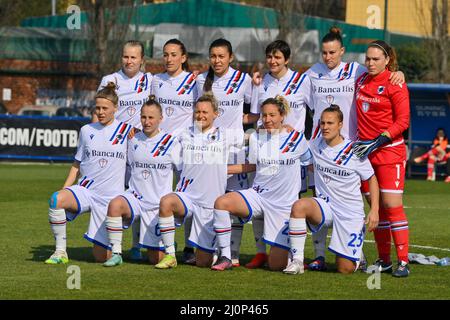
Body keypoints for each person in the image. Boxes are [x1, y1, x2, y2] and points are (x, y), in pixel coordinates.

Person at [301, 27, 405, 271]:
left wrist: (397, 72)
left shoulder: (356, 71)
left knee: (369, 202)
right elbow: (294, 98)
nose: (328, 57)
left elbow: (380, 71)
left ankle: (364, 252)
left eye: (333, 52)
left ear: (342, 51)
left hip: (354, 149)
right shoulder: (312, 74)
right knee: (320, 201)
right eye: (324, 52)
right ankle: (318, 254)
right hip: (323, 150)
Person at [212, 96, 312, 271]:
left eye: (272, 115)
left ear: (282, 116)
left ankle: (291, 257)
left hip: (283, 205)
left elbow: (309, 164)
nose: (267, 120)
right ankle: (226, 256)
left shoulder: (296, 139)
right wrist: (221, 169)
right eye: (264, 115)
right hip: (258, 196)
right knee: (222, 203)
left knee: (276, 265)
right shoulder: (257, 137)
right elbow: (252, 166)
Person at [242, 40, 313, 269]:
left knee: (294, 203)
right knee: (260, 200)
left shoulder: (302, 81)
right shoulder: (261, 83)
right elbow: (254, 116)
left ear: (287, 59)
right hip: (267, 151)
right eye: (269, 57)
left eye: (277, 57)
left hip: (293, 154)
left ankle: (298, 254)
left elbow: (317, 110)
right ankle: (261, 251)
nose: (273, 61)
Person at [283, 105, 379, 274]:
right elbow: (296, 148)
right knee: (299, 206)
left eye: (330, 123)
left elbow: (371, 178)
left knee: (344, 269)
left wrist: (375, 210)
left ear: (340, 125)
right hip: (325, 207)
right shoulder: (315, 144)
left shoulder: (354, 151)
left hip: (350, 213)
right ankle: (297, 261)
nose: (325, 127)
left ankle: (359, 257)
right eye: (322, 123)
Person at [45, 83, 131, 264]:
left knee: (101, 258)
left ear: (115, 108)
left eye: (105, 108)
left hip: (110, 199)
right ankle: (60, 252)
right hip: (86, 191)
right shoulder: (86, 130)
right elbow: (76, 164)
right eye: (97, 108)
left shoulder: (127, 132)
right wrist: (65, 188)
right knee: (56, 199)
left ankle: (126, 248)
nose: (100, 112)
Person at [154, 92, 236, 269]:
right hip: (187, 196)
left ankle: (214, 254)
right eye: (197, 112)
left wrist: (283, 130)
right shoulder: (183, 133)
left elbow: (255, 142)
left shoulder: (227, 136)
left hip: (210, 203)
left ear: (216, 113)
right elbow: (158, 139)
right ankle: (170, 254)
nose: (201, 115)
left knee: (202, 263)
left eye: (205, 112)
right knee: (166, 202)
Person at [352, 40, 411, 277]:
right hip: (365, 156)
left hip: (389, 152)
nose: (370, 63)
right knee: (376, 209)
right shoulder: (360, 80)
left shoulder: (395, 83)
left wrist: (380, 139)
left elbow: (403, 121)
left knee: (391, 205)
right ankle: (384, 260)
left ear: (387, 60)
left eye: (376, 59)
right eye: (368, 58)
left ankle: (403, 262)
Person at [196, 38, 256, 267]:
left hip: (236, 150)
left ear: (230, 57)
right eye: (213, 56)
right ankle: (210, 248)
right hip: (210, 150)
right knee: (210, 200)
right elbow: (198, 114)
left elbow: (256, 111)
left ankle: (233, 252)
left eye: (221, 56)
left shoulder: (244, 79)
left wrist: (245, 131)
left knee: (233, 202)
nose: (217, 60)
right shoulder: (201, 80)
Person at [103, 96, 181, 267]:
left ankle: (168, 244)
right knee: (115, 204)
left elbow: (181, 173)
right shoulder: (133, 140)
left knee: (155, 260)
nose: (146, 121)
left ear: (161, 119)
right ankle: (116, 253)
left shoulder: (171, 143)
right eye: (143, 117)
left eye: (151, 117)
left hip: (157, 206)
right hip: (135, 199)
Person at [98, 40, 153, 261]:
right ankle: (112, 243)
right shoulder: (109, 80)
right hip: (115, 148)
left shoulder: (150, 80)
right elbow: (100, 112)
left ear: (142, 60)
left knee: (140, 194)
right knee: (114, 195)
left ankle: (137, 245)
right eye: (125, 56)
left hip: (140, 147)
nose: (129, 61)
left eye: (133, 57)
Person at [151, 39, 198, 264]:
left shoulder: (194, 81)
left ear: (183, 57)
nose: (169, 59)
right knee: (155, 195)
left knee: (188, 196)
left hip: (183, 147)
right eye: (165, 54)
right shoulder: (155, 80)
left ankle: (190, 245)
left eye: (173, 54)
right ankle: (156, 242)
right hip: (158, 147)